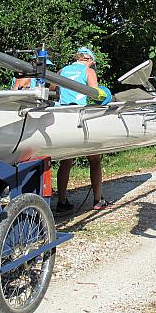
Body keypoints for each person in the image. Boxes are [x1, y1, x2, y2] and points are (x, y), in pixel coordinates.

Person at [55, 47, 108, 216]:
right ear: (89, 59)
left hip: (63, 117)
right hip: (81, 116)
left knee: (66, 162)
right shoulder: (88, 71)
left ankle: (62, 201)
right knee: (95, 159)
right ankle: (97, 200)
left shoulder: (62, 70)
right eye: (94, 62)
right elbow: (95, 94)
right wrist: (106, 95)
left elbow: (52, 86)